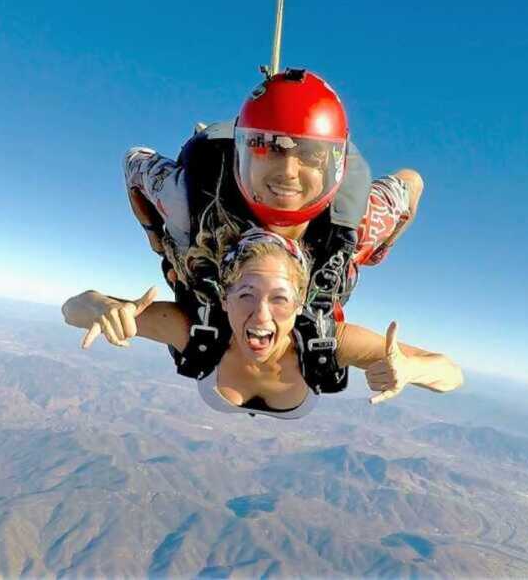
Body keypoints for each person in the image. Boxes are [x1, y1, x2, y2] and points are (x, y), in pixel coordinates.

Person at [124, 68, 426, 394]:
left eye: (310, 155)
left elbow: (412, 183)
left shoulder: (359, 223)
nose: (288, 172)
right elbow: (135, 162)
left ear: (332, 164)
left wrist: (374, 250)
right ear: (242, 151)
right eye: (268, 147)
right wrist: (163, 243)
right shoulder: (188, 201)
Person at [62, 228, 462, 419]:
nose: (261, 316)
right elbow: (71, 310)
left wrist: (411, 369)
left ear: (301, 303)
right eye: (246, 295)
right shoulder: (198, 331)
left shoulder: (327, 343)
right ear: (224, 297)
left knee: (412, 182)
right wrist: (100, 306)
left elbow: (451, 375)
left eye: (280, 299)